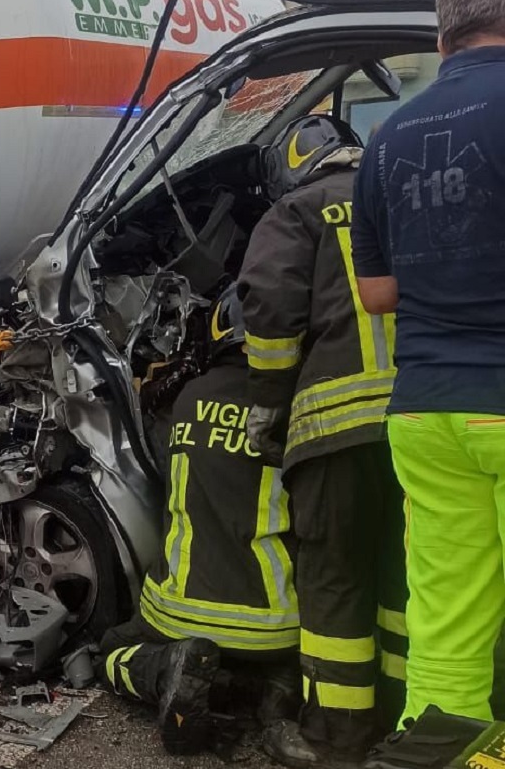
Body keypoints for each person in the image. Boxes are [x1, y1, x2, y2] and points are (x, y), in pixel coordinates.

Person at [351, 0, 505, 726]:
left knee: (447, 610)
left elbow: (376, 293)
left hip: (424, 414)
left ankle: (453, 745)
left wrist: (450, 272)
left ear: (442, 40)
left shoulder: (387, 135)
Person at [238, 114, 406, 765]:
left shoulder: (294, 212)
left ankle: (337, 737)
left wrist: (267, 409)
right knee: (406, 576)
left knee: (335, 578)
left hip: (333, 433)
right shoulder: (402, 193)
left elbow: (272, 313)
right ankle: (404, 719)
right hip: (423, 425)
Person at [99, 286, 300, 756]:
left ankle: (168, 669)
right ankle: (269, 684)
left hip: (182, 616)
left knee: (109, 648)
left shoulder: (188, 399)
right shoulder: (295, 403)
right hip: (279, 626)